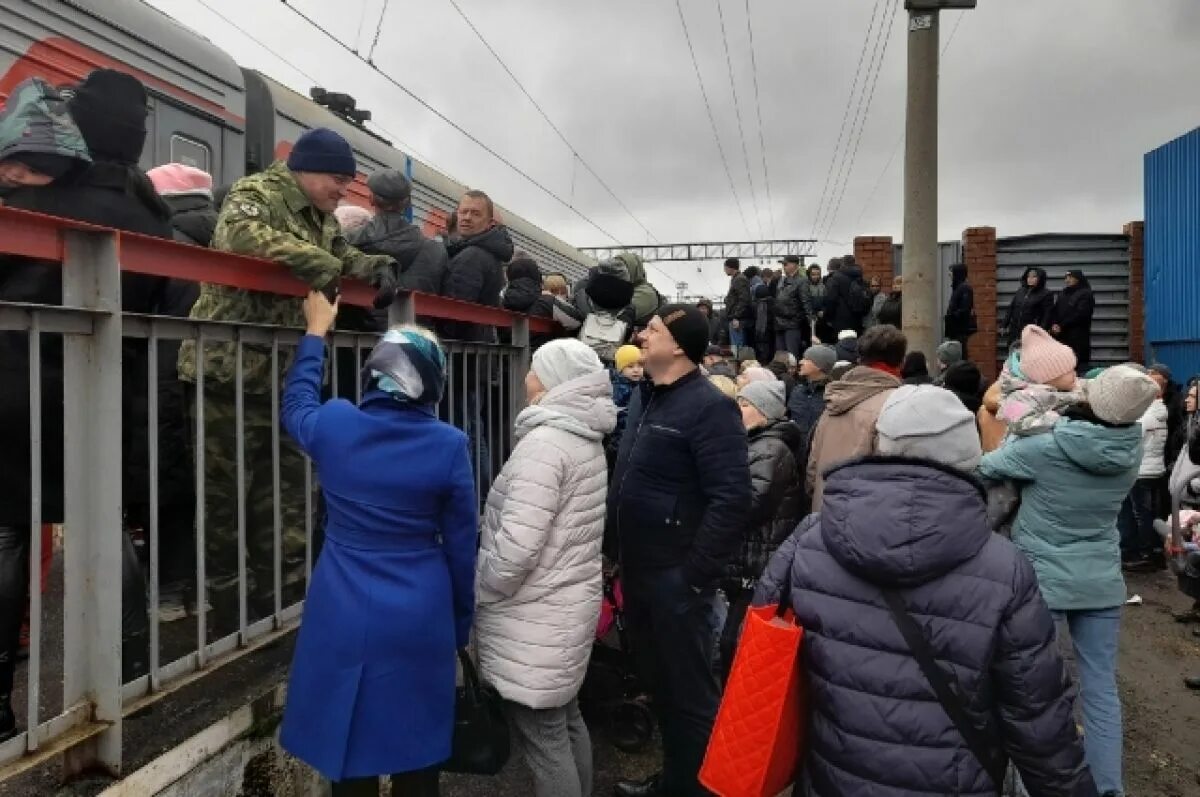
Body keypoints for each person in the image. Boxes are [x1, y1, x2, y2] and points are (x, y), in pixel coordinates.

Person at [754, 385, 1097, 797]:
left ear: (882, 442)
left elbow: (758, 648)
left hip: (832, 774)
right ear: (968, 458)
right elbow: (1039, 718)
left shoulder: (811, 539)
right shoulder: (1004, 567)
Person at [177, 126, 395, 625]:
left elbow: (342, 257)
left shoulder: (320, 216)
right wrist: (325, 267)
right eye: (337, 179)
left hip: (283, 379)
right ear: (307, 168)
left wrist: (377, 265)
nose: (343, 191)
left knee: (289, 494)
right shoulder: (257, 193)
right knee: (224, 500)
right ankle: (228, 609)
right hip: (225, 376)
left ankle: (284, 598)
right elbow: (242, 236)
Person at [278, 292, 476, 796]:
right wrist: (458, 624)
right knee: (418, 750)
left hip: (340, 603)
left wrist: (316, 333)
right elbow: (460, 544)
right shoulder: (449, 444)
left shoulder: (337, 425)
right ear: (432, 382)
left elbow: (296, 404)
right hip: (420, 608)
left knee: (348, 754)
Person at [979, 364, 1159, 797]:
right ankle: (1107, 786)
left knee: (1036, 693)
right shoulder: (1131, 449)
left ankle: (1029, 787)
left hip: (1043, 580)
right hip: (1100, 580)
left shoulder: (1045, 448)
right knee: (1100, 687)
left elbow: (986, 466)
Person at [609, 304, 751, 797]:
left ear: (679, 345)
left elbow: (732, 497)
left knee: (690, 697)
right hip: (641, 574)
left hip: (676, 580)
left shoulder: (709, 407)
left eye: (652, 329)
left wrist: (693, 573)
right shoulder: (648, 400)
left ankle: (699, 790)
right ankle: (674, 782)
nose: (641, 335)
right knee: (663, 689)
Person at [474, 339, 616, 797]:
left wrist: (484, 586)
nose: (525, 378)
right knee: (565, 720)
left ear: (553, 380)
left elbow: (517, 546)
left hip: (534, 615)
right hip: (564, 608)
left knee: (544, 738)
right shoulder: (583, 436)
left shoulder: (544, 444)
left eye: (533, 369)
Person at [718, 380, 803, 682]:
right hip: (748, 557)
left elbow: (749, 504)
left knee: (734, 642)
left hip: (755, 560)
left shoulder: (770, 449)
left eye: (744, 405)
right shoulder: (757, 443)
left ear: (764, 413)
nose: (737, 410)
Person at [806, 324, 905, 509]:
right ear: (900, 362)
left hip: (824, 513)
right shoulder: (897, 404)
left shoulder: (832, 403)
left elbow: (812, 468)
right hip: (864, 521)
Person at [350, 169, 449, 296]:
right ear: (408, 203)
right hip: (410, 316)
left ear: (371, 199)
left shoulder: (348, 241)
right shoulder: (436, 251)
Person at [442, 189, 513, 342]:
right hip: (479, 344)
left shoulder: (472, 256)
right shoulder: (487, 252)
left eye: (475, 214)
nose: (467, 218)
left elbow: (455, 310)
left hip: (464, 349)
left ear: (489, 223)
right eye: (463, 212)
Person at [1119, 376, 1168, 572]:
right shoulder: (1160, 413)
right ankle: (1153, 552)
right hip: (1154, 470)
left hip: (1141, 472)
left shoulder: (1146, 417)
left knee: (1141, 516)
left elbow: (1129, 441)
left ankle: (1146, 555)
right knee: (1148, 514)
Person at [787, 344, 836, 443]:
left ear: (819, 365)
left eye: (806, 359)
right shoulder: (797, 390)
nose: (800, 362)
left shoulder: (833, 394)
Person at [1051, 270, 1096, 374]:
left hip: (1078, 336)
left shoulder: (1086, 293)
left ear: (1078, 278)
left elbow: (1081, 314)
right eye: (1066, 278)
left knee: (1078, 365)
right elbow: (1055, 310)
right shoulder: (1064, 293)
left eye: (1070, 277)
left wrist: (1061, 325)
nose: (1067, 280)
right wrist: (1054, 324)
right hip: (1061, 335)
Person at [608, 344, 644, 470]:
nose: (636, 370)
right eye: (630, 366)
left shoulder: (641, 386)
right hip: (618, 441)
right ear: (620, 369)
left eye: (640, 366)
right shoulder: (618, 388)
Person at [1003, 267, 1054, 348]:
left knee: (1028, 355)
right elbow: (1011, 308)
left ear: (1040, 278)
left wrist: (1040, 331)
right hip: (1015, 330)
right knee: (1014, 355)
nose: (1030, 279)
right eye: (1028, 276)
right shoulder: (1021, 291)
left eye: (1034, 276)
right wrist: (1004, 324)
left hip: (1031, 331)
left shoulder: (1046, 294)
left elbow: (1047, 315)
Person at [823, 253, 872, 334]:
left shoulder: (835, 278)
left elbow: (830, 300)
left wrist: (828, 318)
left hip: (840, 322)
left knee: (841, 345)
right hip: (858, 321)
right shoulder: (861, 278)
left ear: (842, 264)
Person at [772, 255, 809, 359]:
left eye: (786, 264)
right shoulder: (781, 281)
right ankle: (782, 374)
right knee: (780, 356)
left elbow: (805, 302)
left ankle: (793, 374)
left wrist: (809, 320)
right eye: (783, 264)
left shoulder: (802, 281)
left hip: (792, 323)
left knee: (792, 356)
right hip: (779, 322)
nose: (784, 267)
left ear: (794, 265)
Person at [723, 258, 753, 357]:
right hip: (735, 317)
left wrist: (737, 316)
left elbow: (744, 299)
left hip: (737, 319)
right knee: (736, 345)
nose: (724, 270)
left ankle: (738, 364)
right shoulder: (736, 279)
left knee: (737, 346)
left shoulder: (739, 279)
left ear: (730, 267)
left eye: (725, 267)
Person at [944, 262, 976, 351]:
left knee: (959, 353)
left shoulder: (965, 288)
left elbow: (965, 309)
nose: (950, 275)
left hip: (960, 330)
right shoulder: (958, 288)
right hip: (955, 330)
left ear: (957, 274)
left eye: (951, 273)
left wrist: (951, 316)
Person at [802, 262, 830, 342]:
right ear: (809, 274)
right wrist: (811, 316)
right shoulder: (805, 286)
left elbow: (826, 301)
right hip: (808, 320)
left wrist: (823, 310)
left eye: (817, 274)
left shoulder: (823, 286)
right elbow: (805, 303)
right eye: (813, 274)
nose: (815, 276)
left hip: (821, 319)